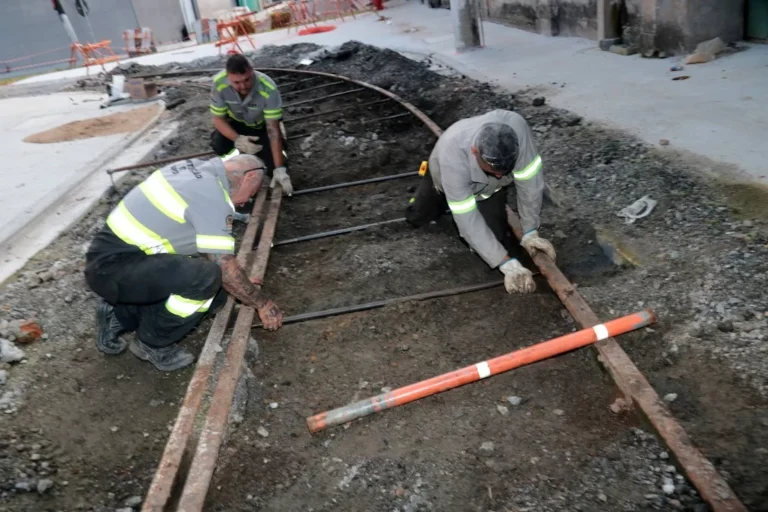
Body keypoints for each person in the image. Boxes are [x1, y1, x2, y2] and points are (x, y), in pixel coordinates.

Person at [85, 154, 283, 372]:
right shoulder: (212, 197)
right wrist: (261, 303)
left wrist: (239, 283)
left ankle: (121, 314)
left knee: (217, 293)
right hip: (113, 269)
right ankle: (151, 342)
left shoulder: (198, 171)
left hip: (114, 260)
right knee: (206, 278)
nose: (246, 202)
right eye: (252, 194)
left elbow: (215, 255)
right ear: (249, 177)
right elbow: (223, 267)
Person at [405, 109, 556, 294]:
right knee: (418, 215)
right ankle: (425, 206)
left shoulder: (518, 129)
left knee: (495, 238)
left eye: (504, 170)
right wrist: (506, 264)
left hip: (488, 190)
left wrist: (530, 231)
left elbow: (530, 182)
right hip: (442, 178)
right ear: (475, 151)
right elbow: (466, 218)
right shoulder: (453, 157)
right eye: (494, 169)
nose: (500, 175)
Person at [209, 53, 293, 195]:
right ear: (228, 77)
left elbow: (273, 129)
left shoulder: (268, 87)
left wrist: (279, 169)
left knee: (275, 167)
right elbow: (218, 119)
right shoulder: (219, 83)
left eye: (247, 80)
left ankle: (278, 155)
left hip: (260, 127)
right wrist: (238, 139)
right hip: (236, 124)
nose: (243, 86)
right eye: (236, 82)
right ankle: (240, 156)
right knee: (219, 144)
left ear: (252, 71)